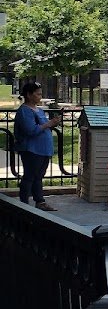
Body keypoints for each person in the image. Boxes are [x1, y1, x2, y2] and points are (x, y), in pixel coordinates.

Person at [14, 81, 62, 211]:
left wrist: (53, 123)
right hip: (32, 149)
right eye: (38, 94)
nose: (40, 96)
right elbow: (31, 130)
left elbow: (43, 127)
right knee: (29, 176)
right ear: (29, 95)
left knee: (38, 176)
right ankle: (23, 204)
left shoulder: (39, 110)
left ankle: (39, 201)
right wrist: (48, 124)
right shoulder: (25, 111)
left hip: (43, 149)